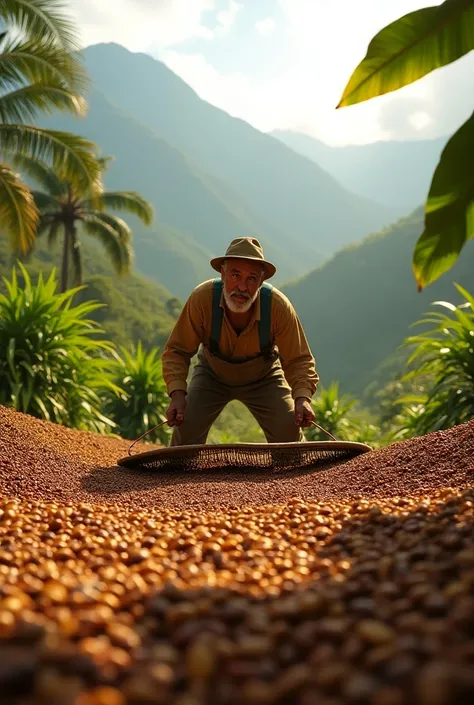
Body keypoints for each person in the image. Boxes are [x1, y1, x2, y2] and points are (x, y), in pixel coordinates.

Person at [162, 237, 319, 445]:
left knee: (288, 429)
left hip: (264, 377)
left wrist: (302, 398)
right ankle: (176, 478)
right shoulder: (202, 299)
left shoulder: (278, 307)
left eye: (251, 279)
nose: (242, 287)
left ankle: (296, 476)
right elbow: (177, 350)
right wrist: (177, 393)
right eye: (236, 275)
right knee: (186, 427)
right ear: (223, 274)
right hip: (212, 375)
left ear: (261, 282)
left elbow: (298, 359)